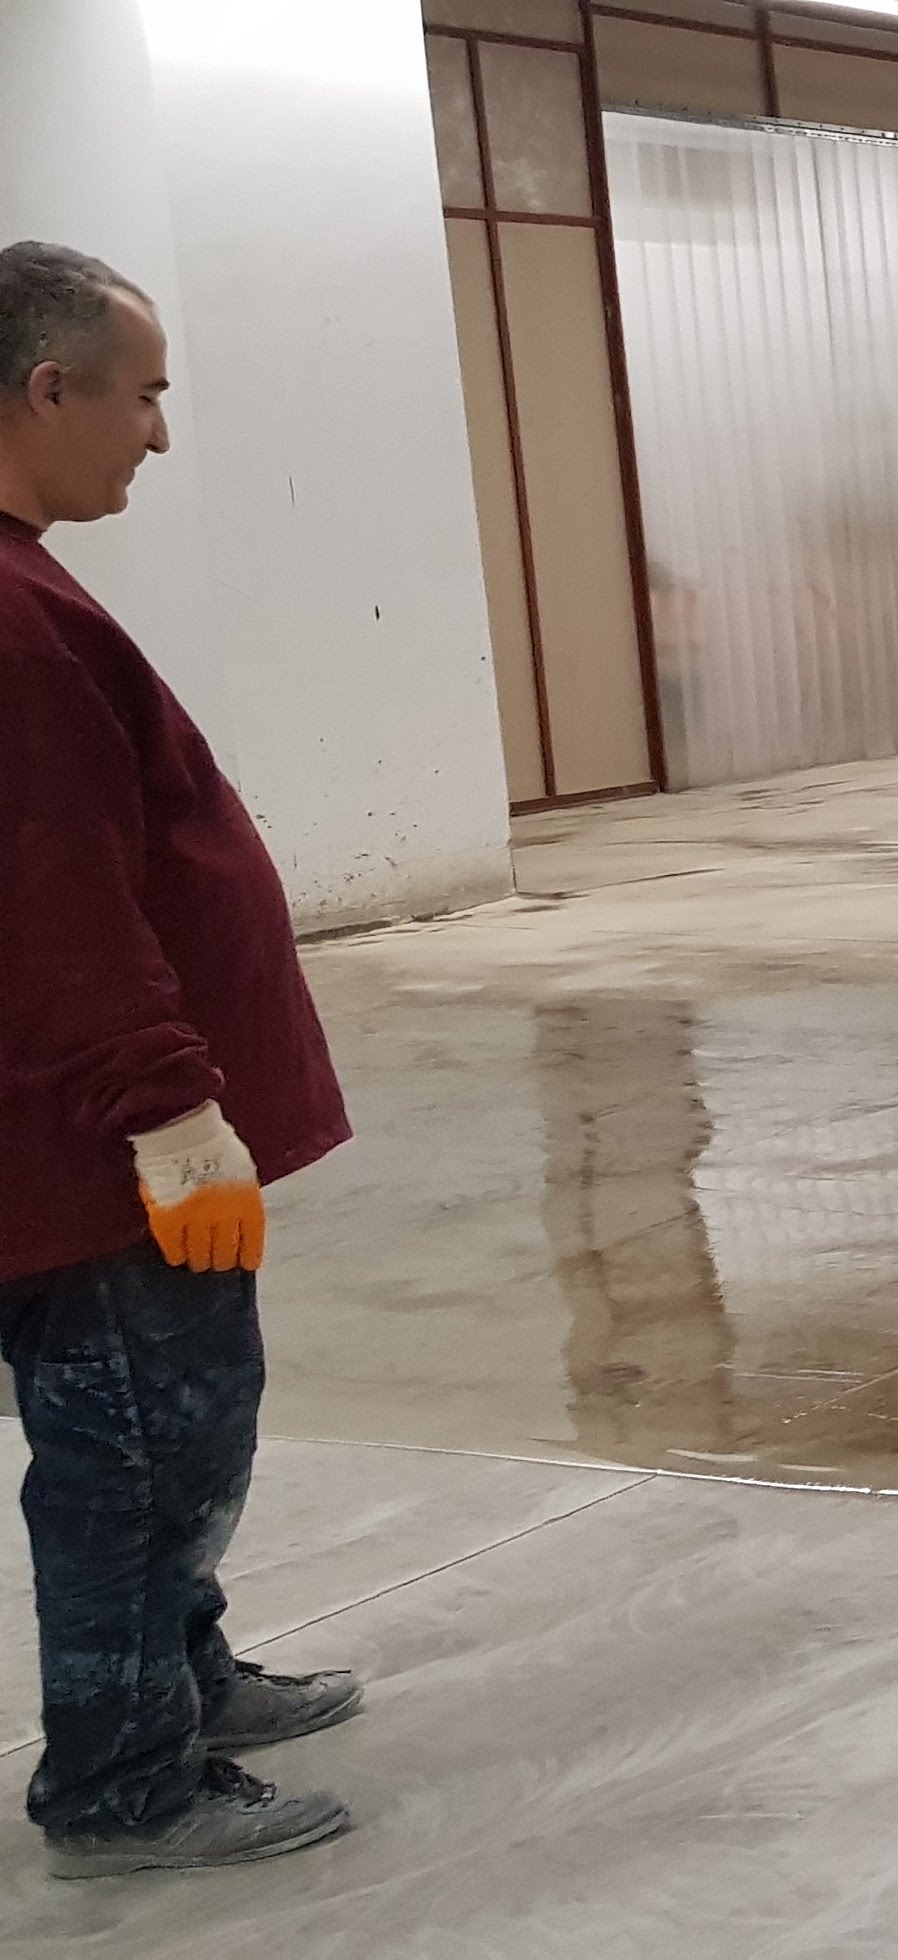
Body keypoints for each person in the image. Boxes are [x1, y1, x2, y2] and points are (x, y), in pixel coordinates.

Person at [0, 241, 362, 1876]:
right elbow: (49, 901)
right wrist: (167, 1110)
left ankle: (181, 1677)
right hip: (96, 1153)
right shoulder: (10, 625)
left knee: (172, 1433)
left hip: (87, 1130)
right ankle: (122, 1780)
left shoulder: (25, 584)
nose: (158, 433)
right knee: (138, 1454)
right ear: (46, 389)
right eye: (142, 396)